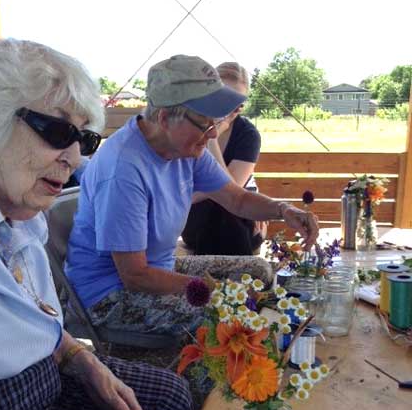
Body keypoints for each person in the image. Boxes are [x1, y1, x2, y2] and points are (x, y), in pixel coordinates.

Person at [0, 37, 202, 410]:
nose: (73, 157)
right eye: (55, 131)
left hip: (36, 384)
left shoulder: (18, 208)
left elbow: (35, 315)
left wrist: (78, 358)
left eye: (85, 140)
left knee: (171, 398)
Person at [66, 54, 319, 339]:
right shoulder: (124, 168)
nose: (212, 134)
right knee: (233, 314)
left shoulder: (184, 149)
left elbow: (236, 199)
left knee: (259, 272)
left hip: (159, 268)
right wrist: (218, 291)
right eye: (203, 123)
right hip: (110, 295)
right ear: (164, 118)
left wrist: (283, 210)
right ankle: (213, 382)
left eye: (215, 122)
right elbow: (135, 276)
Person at [182, 61, 265, 255]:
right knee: (214, 213)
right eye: (222, 96)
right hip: (196, 218)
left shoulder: (247, 134)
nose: (226, 106)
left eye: (235, 101)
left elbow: (231, 191)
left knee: (225, 213)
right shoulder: (189, 125)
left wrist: (213, 137)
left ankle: (230, 281)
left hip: (236, 218)